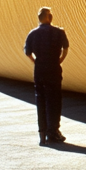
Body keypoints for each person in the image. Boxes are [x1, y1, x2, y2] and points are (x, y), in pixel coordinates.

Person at [24, 7, 70, 146]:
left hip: (40, 70)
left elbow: (27, 52)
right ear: (50, 18)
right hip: (54, 69)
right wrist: (60, 59)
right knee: (54, 100)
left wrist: (35, 61)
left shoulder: (32, 34)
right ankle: (53, 131)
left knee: (41, 99)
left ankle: (42, 134)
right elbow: (66, 48)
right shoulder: (59, 32)